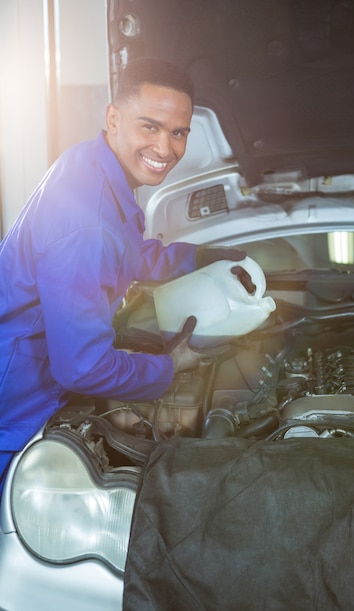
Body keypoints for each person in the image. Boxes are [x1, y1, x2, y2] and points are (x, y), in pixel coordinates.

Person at [0, 57, 245, 493]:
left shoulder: (92, 169)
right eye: (149, 126)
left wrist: (196, 258)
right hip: (12, 408)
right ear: (113, 118)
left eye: (178, 132)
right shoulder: (87, 224)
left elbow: (125, 253)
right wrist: (168, 367)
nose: (165, 149)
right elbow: (83, 367)